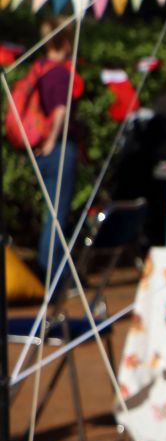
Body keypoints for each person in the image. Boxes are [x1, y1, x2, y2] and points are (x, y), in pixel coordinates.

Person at [29, 18, 84, 284]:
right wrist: (52, 140)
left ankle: (48, 272)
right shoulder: (61, 72)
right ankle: (52, 276)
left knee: (51, 214)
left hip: (40, 149)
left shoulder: (39, 68)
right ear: (66, 41)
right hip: (58, 149)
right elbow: (60, 110)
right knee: (56, 217)